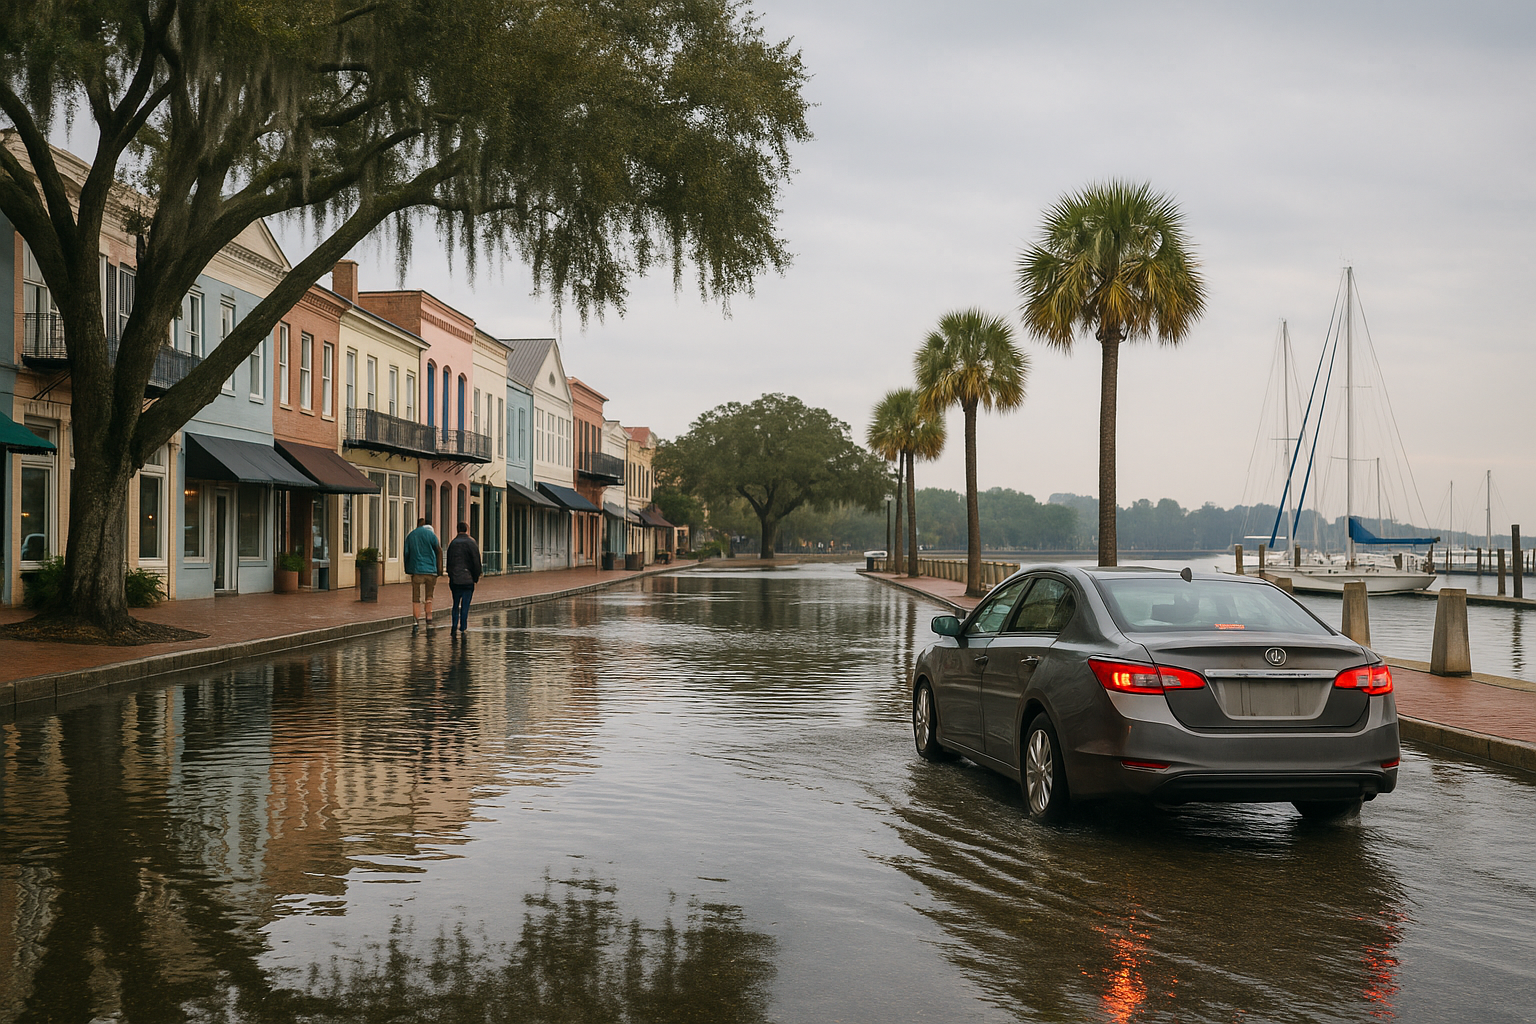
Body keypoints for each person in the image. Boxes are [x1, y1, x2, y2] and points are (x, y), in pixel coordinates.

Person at [404, 517, 442, 628]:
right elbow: (438, 550)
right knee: (429, 595)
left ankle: (416, 620)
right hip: (430, 570)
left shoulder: (411, 536)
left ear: (417, 524)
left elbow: (406, 553)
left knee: (416, 596)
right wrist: (439, 569)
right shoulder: (431, 535)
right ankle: (428, 617)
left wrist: (408, 569)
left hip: (416, 570)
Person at [446, 520, 483, 637]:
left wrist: (451, 576)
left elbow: (449, 563)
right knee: (465, 604)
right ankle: (463, 627)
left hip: (455, 580)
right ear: (466, 530)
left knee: (455, 603)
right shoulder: (472, 543)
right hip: (468, 579)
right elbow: (476, 562)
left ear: (457, 530)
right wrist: (475, 577)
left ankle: (454, 626)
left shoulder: (452, 544)